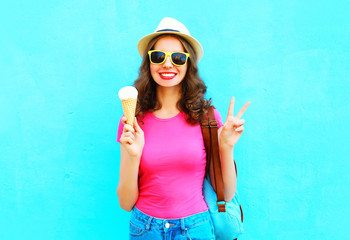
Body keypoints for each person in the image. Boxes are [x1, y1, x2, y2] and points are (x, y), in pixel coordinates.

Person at [116, 17, 250, 240]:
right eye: (159, 56)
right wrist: (134, 156)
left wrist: (226, 147)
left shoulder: (207, 117)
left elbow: (225, 194)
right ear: (149, 62)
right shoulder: (132, 121)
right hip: (145, 229)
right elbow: (125, 202)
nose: (168, 64)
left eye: (178, 58)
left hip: (196, 228)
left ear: (188, 64)